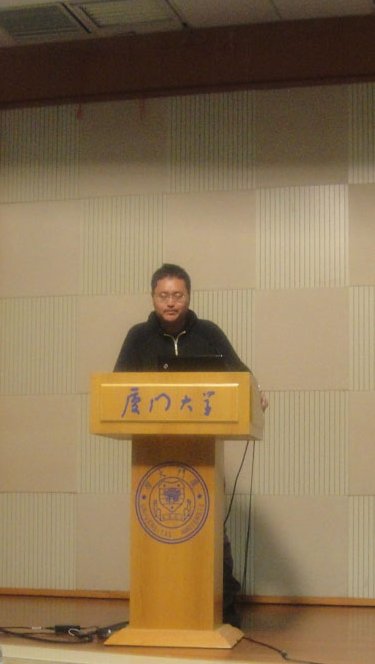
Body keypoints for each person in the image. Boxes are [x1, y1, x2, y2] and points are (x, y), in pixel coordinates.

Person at [114, 263, 267, 628]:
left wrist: (256, 392)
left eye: (178, 295)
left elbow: (240, 373)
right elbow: (117, 386)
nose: (171, 303)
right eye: (163, 295)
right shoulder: (138, 336)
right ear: (153, 297)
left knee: (212, 531)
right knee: (156, 528)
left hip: (202, 451)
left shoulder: (208, 332)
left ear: (188, 297)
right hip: (153, 450)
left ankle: (223, 612)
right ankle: (156, 611)